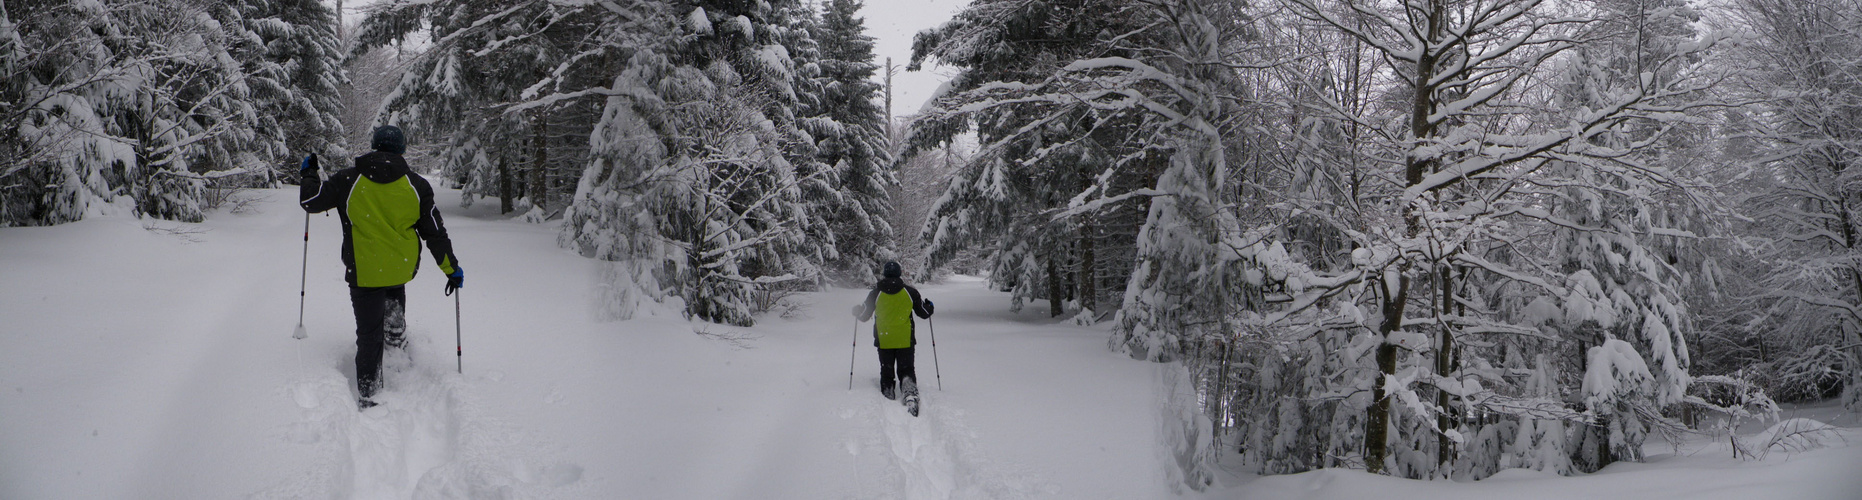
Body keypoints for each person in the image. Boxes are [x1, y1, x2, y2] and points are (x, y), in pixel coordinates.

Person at [300, 125, 464, 409]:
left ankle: (370, 394)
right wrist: (451, 269)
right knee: (392, 300)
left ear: (374, 146)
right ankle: (396, 342)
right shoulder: (417, 186)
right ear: (401, 150)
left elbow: (311, 201)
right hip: (399, 268)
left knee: (368, 335)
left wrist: (308, 174)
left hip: (363, 273)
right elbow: (435, 233)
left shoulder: (348, 180)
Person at [851, 261, 934, 403]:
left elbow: (864, 315)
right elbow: (924, 313)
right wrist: (929, 306)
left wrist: (857, 310)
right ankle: (909, 391)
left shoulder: (876, 293)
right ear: (899, 273)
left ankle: (888, 389)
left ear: (884, 274)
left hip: (884, 339)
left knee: (886, 368)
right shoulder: (910, 292)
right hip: (905, 338)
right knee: (907, 368)